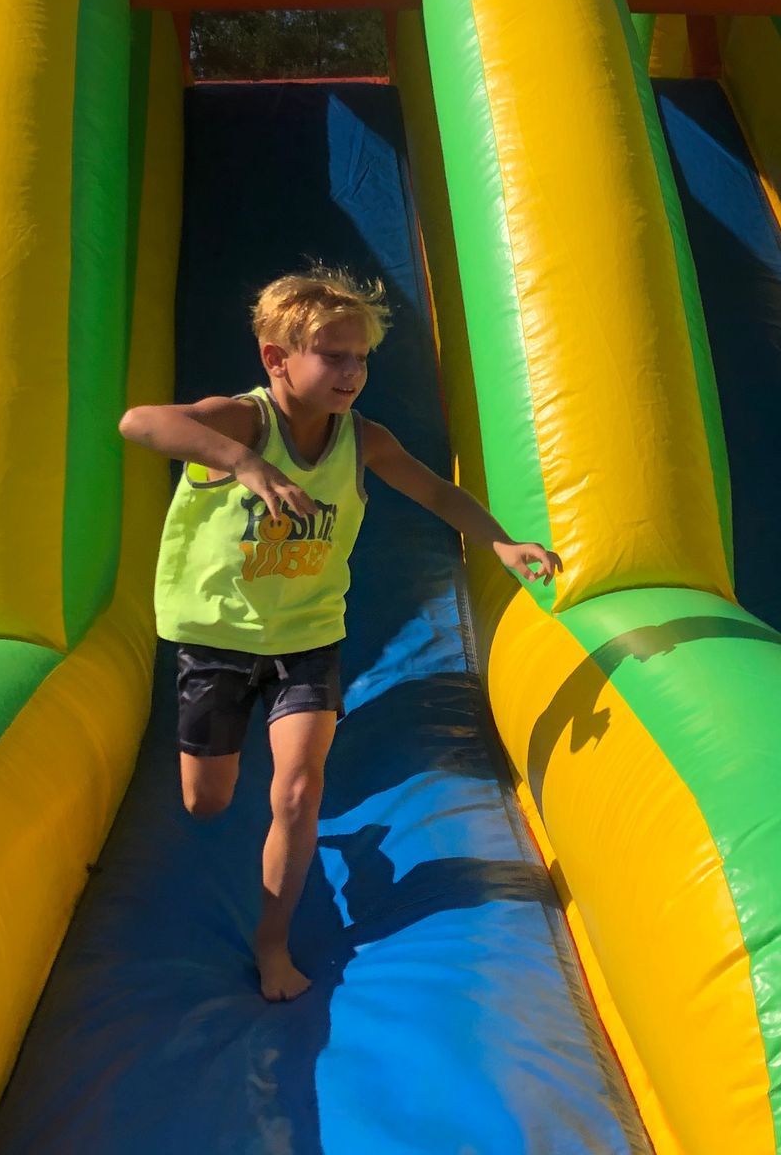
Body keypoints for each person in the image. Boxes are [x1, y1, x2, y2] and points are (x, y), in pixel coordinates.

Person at [120, 265, 562, 1001]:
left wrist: (501, 544)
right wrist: (246, 465)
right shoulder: (242, 419)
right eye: (333, 355)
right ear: (275, 357)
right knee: (209, 800)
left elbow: (435, 489)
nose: (352, 373)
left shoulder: (363, 439)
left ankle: (272, 944)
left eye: (361, 358)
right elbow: (140, 423)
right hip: (220, 639)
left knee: (298, 788)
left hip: (307, 635)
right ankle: (356, 853)